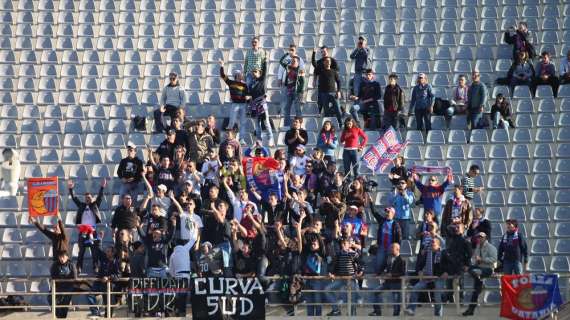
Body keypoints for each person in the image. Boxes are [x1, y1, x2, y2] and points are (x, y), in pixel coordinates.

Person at [404, 238, 451, 316]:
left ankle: (438, 315)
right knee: (415, 289)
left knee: (437, 296)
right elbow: (419, 265)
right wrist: (419, 272)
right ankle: (411, 309)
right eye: (430, 243)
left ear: (438, 245)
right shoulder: (427, 253)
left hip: (438, 278)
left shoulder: (444, 253)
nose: (431, 245)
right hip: (427, 278)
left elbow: (451, 264)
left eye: (434, 243)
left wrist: (447, 272)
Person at [68, 179, 106, 273]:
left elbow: (100, 197)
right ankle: (78, 267)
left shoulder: (95, 205)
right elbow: (74, 198)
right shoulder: (81, 205)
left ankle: (95, 267)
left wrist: (102, 187)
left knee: (94, 251)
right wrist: (71, 189)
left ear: (92, 198)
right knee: (81, 251)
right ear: (84, 199)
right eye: (86, 198)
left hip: (92, 231)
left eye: (89, 197)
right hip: (83, 231)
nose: (87, 199)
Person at [325, 237, 362, 316]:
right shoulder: (338, 254)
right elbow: (333, 264)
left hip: (351, 279)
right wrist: (331, 273)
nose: (343, 245)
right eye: (342, 244)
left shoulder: (353, 254)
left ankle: (352, 314)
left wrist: (360, 272)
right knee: (327, 289)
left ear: (349, 245)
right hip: (341, 278)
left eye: (345, 244)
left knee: (352, 298)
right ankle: (336, 309)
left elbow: (361, 264)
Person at [462, 232, 497, 316]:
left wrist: (482, 259)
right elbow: (474, 259)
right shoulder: (478, 247)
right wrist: (476, 261)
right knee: (467, 268)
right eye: (478, 237)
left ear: (485, 238)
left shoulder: (491, 247)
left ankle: (470, 309)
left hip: (488, 269)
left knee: (476, 289)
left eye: (481, 237)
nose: (479, 238)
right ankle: (478, 279)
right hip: (479, 268)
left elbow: (494, 259)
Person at [369, 243, 406, 316]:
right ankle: (377, 312)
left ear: (397, 249)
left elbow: (403, 273)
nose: (390, 249)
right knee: (375, 292)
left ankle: (396, 316)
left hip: (396, 283)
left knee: (396, 301)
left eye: (392, 248)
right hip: (387, 282)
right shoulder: (388, 257)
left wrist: (392, 275)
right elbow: (383, 266)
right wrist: (378, 273)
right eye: (391, 247)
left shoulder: (402, 260)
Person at [87, 246, 120, 318]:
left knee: (109, 305)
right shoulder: (104, 260)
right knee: (90, 295)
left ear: (112, 253)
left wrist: (108, 277)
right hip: (99, 283)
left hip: (109, 286)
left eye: (108, 251)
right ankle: (96, 312)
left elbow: (118, 275)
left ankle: (107, 316)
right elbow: (97, 250)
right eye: (106, 251)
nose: (106, 253)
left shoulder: (115, 262)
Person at [370, 205, 402, 276]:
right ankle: (378, 279)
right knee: (378, 264)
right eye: (386, 212)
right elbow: (375, 213)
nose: (387, 213)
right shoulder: (382, 221)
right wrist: (371, 203)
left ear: (393, 214)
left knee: (390, 265)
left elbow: (399, 237)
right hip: (382, 247)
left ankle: (388, 282)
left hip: (391, 248)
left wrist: (396, 248)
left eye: (388, 212)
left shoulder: (396, 225)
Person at [246, 67, 274, 146]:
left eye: (255, 71)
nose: (253, 73)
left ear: (259, 73)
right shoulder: (251, 84)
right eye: (253, 72)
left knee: (266, 122)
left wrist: (264, 60)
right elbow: (249, 96)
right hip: (254, 105)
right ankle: (259, 140)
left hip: (262, 103)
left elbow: (264, 71)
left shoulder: (261, 80)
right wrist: (248, 99)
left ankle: (270, 137)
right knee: (257, 125)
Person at [219, 59, 248, 136]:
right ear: (237, 75)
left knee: (243, 122)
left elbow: (248, 95)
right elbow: (222, 75)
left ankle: (241, 139)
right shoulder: (230, 82)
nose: (242, 75)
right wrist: (222, 65)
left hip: (243, 105)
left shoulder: (245, 85)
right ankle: (229, 135)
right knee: (232, 121)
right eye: (240, 74)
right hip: (235, 104)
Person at [279, 53, 305, 127]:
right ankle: (287, 125)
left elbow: (303, 82)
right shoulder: (288, 67)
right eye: (292, 61)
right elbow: (281, 61)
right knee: (286, 109)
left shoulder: (300, 70)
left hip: (297, 92)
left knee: (297, 109)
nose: (292, 62)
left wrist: (301, 92)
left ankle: (299, 126)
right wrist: (287, 54)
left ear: (298, 62)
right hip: (289, 91)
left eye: (294, 61)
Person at [50, 251, 77, 318]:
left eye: (63, 257)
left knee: (65, 302)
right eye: (60, 257)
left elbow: (74, 277)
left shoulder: (71, 265)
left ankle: (62, 317)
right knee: (50, 298)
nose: (62, 259)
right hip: (58, 287)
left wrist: (66, 280)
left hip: (68, 287)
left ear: (67, 257)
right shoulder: (55, 265)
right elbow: (53, 276)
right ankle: (59, 315)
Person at [317, 57, 343, 125]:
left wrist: (339, 91)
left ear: (331, 62)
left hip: (333, 93)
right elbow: (314, 63)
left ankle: (341, 124)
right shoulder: (320, 71)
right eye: (326, 61)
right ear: (324, 62)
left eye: (329, 61)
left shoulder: (334, 71)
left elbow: (339, 82)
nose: (328, 62)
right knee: (326, 111)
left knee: (338, 110)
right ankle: (329, 126)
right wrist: (314, 53)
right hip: (324, 94)